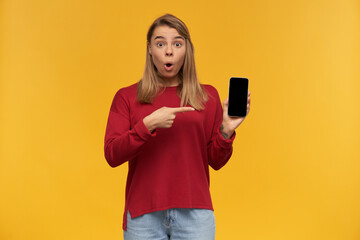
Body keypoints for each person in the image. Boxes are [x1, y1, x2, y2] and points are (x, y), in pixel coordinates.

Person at [104, 14, 251, 240]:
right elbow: (112, 154)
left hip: (195, 214)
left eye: (177, 43)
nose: (169, 51)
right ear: (150, 50)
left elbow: (216, 161)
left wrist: (226, 130)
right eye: (160, 43)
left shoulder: (207, 96)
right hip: (144, 215)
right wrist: (147, 125)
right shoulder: (127, 97)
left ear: (187, 50)